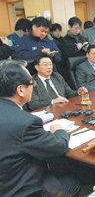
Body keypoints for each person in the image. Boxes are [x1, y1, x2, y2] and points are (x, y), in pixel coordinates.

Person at [0, 60, 80, 196]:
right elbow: (58, 147)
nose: (33, 86)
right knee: (73, 182)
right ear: (20, 90)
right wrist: (59, 130)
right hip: (22, 189)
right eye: (32, 83)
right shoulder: (26, 122)